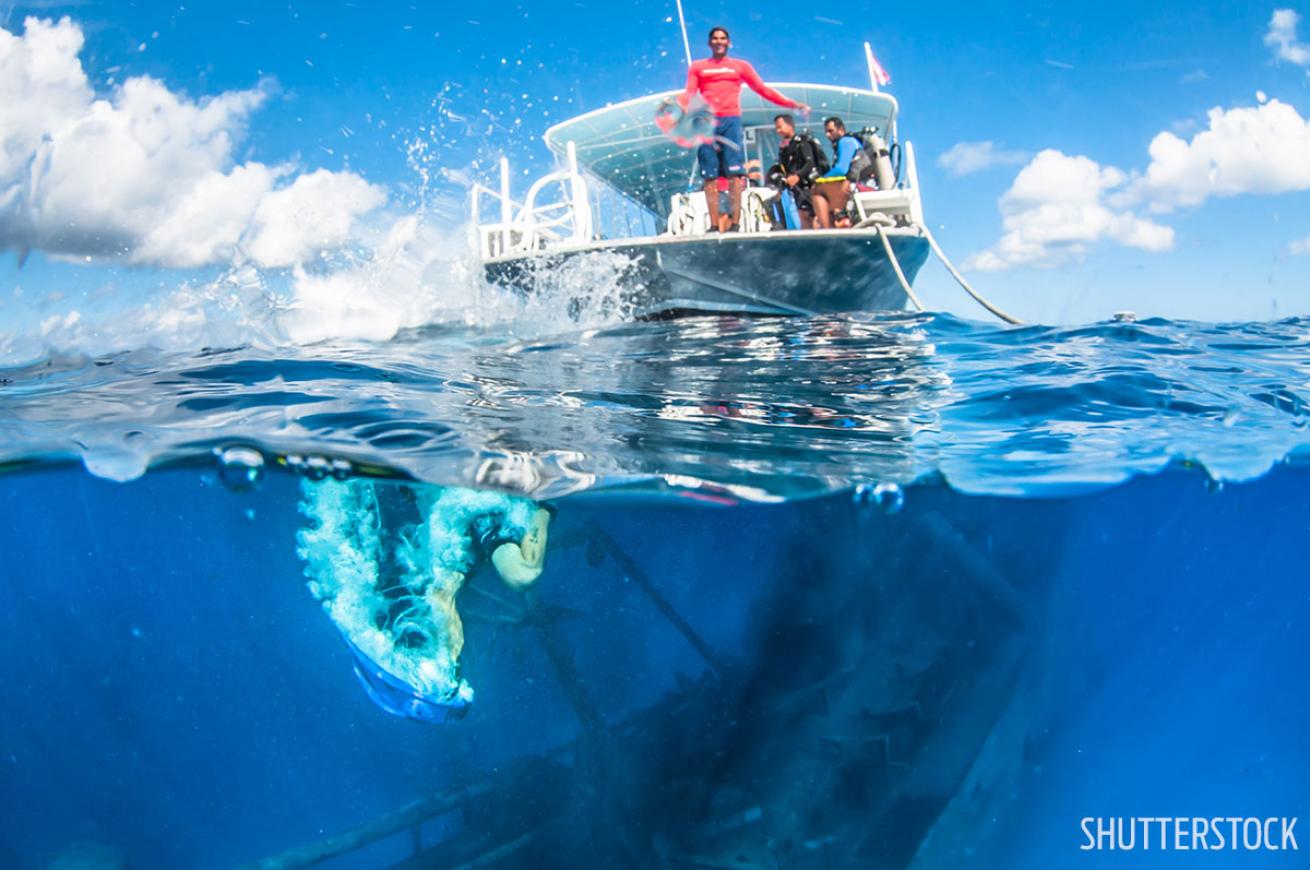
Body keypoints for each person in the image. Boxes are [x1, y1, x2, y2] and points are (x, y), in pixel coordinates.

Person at [680, 26, 809, 232]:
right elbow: (689, 93)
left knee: (735, 175)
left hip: (731, 121)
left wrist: (792, 104)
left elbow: (763, 89)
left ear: (728, 43)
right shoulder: (698, 66)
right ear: (709, 43)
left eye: (723, 38)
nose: (719, 41)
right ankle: (714, 225)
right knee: (709, 176)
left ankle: (735, 223)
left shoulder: (740, 66)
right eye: (715, 38)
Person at [811, 117, 874, 229]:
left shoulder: (846, 141)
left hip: (855, 186)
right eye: (826, 131)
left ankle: (828, 231)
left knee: (816, 190)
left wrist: (820, 180)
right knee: (825, 199)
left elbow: (841, 169)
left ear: (841, 130)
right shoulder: (847, 143)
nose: (827, 135)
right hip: (855, 185)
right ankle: (831, 227)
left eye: (831, 131)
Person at [770, 113, 828, 229]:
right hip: (797, 187)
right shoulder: (785, 148)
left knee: (809, 214)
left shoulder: (802, 142)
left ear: (790, 125)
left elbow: (809, 163)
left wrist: (798, 176)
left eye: (780, 126)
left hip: (808, 185)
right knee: (803, 214)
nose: (778, 130)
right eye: (776, 128)